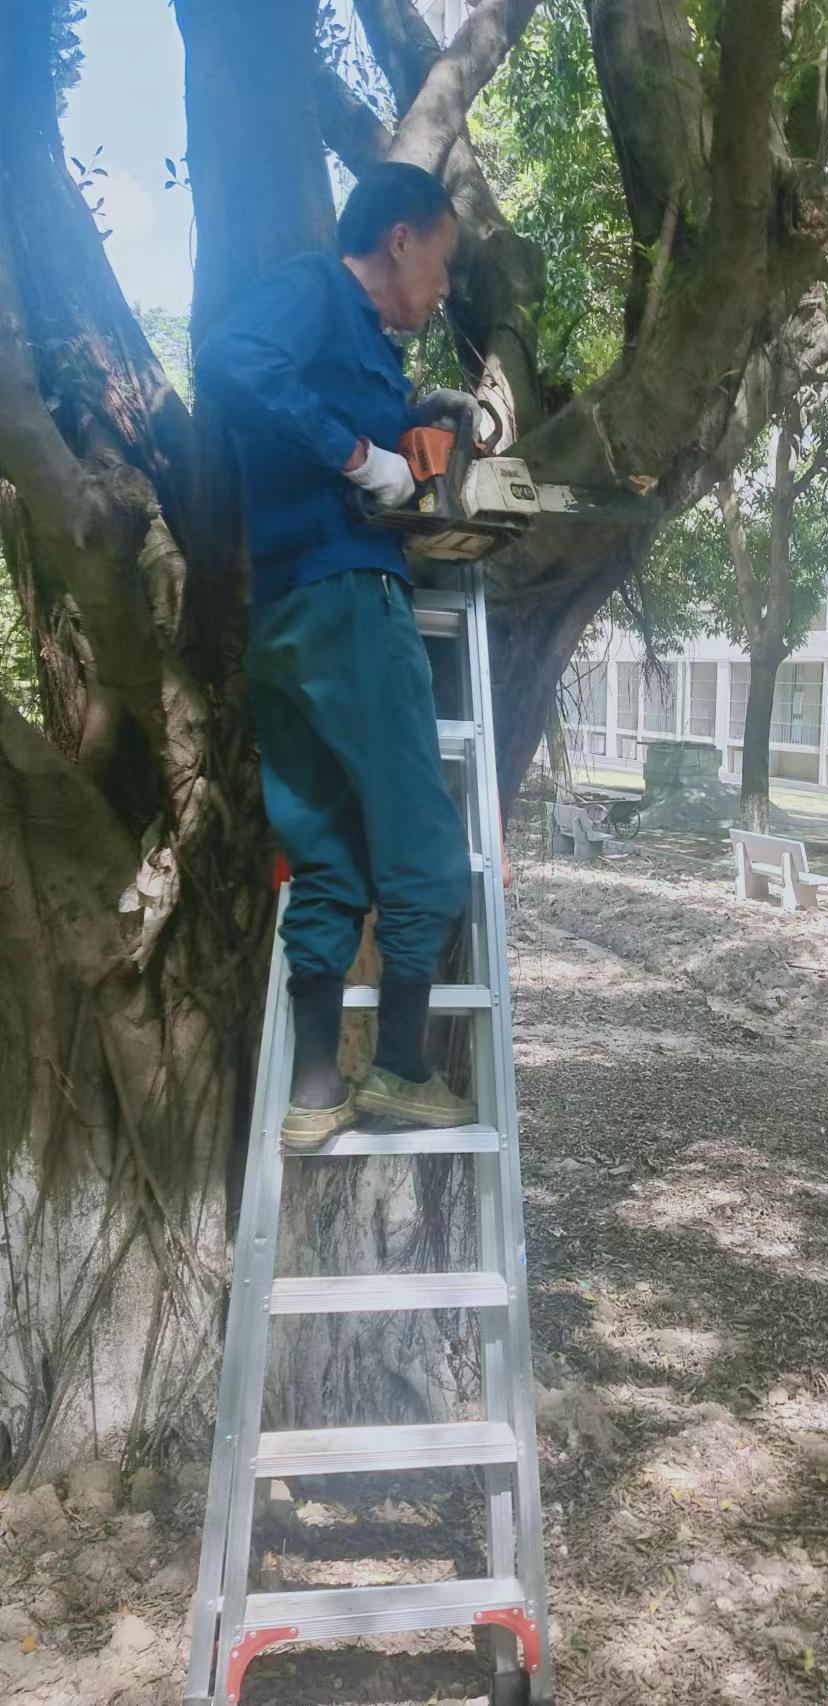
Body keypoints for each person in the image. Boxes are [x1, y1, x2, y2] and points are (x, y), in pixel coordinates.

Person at [197, 162, 475, 1151]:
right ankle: (401, 1067)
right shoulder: (318, 288)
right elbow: (231, 358)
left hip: (286, 618)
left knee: (321, 856)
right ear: (400, 238)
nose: (443, 287)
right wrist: (361, 457)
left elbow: (326, 415)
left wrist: (412, 431)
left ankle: (315, 1090)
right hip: (350, 603)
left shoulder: (360, 342)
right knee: (423, 847)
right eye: (441, 262)